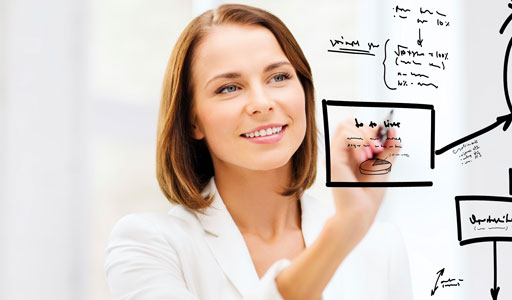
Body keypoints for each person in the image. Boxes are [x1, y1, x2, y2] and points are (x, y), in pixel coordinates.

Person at [104, 4, 412, 300]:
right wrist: (343, 231)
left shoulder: (381, 247)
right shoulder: (147, 245)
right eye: (229, 88)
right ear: (192, 120)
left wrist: (352, 222)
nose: (262, 102)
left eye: (278, 77)